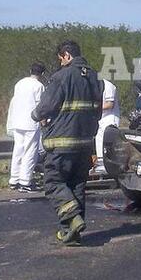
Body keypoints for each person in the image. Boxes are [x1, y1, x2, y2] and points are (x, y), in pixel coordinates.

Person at [32, 40, 102, 246]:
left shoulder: (61, 76)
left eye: (61, 58)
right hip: (85, 142)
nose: (60, 62)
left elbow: (46, 107)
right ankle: (72, 233)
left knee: (53, 183)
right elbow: (97, 112)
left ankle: (72, 219)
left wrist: (35, 114)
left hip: (62, 142)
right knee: (76, 185)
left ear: (67, 56)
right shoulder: (95, 78)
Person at [6, 62, 46, 192]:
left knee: (18, 150)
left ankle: (14, 179)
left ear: (30, 70)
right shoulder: (39, 86)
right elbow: (40, 106)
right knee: (30, 152)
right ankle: (25, 181)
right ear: (42, 74)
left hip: (17, 121)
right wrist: (43, 121)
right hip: (31, 123)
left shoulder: (20, 83)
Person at [93, 78, 120, 175]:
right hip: (101, 119)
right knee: (99, 141)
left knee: (107, 144)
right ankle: (101, 163)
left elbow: (110, 104)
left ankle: (108, 165)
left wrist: (94, 107)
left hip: (109, 118)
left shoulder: (108, 85)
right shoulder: (96, 86)